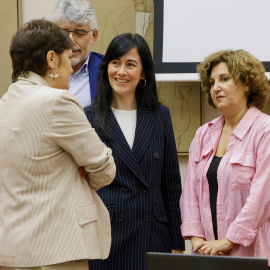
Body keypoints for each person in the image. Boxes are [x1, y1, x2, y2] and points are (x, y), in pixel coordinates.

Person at [0, 19, 116, 269]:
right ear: (51, 59)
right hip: (57, 249)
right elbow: (105, 168)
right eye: (68, 59)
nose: (71, 71)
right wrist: (79, 176)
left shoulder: (4, 105)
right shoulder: (57, 101)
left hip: (10, 250)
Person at [85, 33, 185, 270]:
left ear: (143, 74)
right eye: (115, 63)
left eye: (130, 65)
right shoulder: (88, 118)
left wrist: (176, 243)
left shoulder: (160, 115)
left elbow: (171, 185)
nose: (121, 71)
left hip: (153, 236)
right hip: (107, 235)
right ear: (106, 67)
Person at [180, 49, 270, 266]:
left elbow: (263, 195)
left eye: (224, 79)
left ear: (247, 84)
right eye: (211, 82)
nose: (215, 87)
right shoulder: (203, 134)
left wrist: (229, 240)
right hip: (207, 255)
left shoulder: (265, 130)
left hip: (252, 254)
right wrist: (197, 238)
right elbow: (190, 193)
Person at [52, 0, 103, 108]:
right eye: (63, 33)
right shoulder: (36, 69)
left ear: (94, 36)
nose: (70, 41)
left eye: (80, 33)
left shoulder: (108, 70)